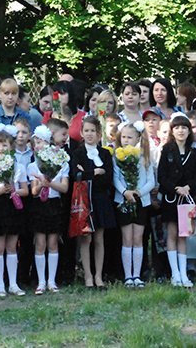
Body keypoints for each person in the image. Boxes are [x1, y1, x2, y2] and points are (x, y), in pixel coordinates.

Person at [70, 117, 114, 289]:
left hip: (101, 199)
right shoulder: (78, 154)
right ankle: (87, 275)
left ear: (99, 134)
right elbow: (76, 176)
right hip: (84, 199)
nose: (90, 134)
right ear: (81, 133)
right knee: (85, 238)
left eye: (93, 131)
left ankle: (98, 275)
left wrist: (87, 173)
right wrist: (95, 172)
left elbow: (107, 179)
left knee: (99, 239)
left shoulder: (104, 154)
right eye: (86, 130)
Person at [157, 114, 196, 288]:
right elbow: (161, 176)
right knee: (172, 234)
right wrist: (175, 188)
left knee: (184, 235)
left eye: (184, 127)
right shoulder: (167, 149)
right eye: (177, 128)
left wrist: (188, 187)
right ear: (172, 131)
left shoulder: (193, 151)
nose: (181, 131)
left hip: (187, 199)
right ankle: (175, 274)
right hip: (171, 198)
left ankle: (184, 273)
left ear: (189, 131)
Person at [26, 125, 68, 294]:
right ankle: (41, 281)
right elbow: (34, 192)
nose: (39, 144)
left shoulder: (61, 163)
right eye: (36, 141)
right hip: (39, 207)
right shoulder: (32, 166)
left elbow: (64, 188)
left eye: (42, 141)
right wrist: (41, 183)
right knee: (40, 243)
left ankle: (52, 281)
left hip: (54, 205)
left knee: (53, 243)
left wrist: (49, 182)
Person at [113, 121, 155, 287]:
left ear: (138, 138)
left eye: (130, 137)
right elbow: (115, 178)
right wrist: (125, 192)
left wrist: (138, 193)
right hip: (123, 200)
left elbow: (151, 181)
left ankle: (137, 275)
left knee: (137, 238)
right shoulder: (117, 156)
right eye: (123, 137)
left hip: (140, 201)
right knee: (126, 238)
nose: (126, 140)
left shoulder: (145, 157)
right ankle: (127, 276)